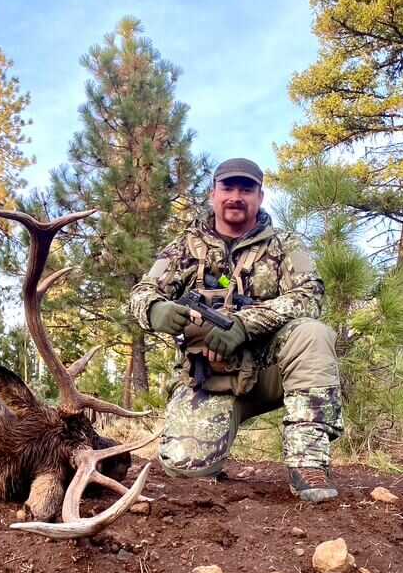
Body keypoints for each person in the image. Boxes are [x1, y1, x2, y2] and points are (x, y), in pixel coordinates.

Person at [129, 157, 343, 503]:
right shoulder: (184, 247)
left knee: (312, 334)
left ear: (260, 196)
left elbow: (309, 296)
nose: (236, 196)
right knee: (186, 468)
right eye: (228, 188)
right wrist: (154, 309)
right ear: (213, 193)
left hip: (268, 371)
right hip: (209, 378)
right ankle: (212, 432)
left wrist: (245, 323)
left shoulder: (285, 244)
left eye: (246, 189)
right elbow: (142, 292)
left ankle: (307, 464)